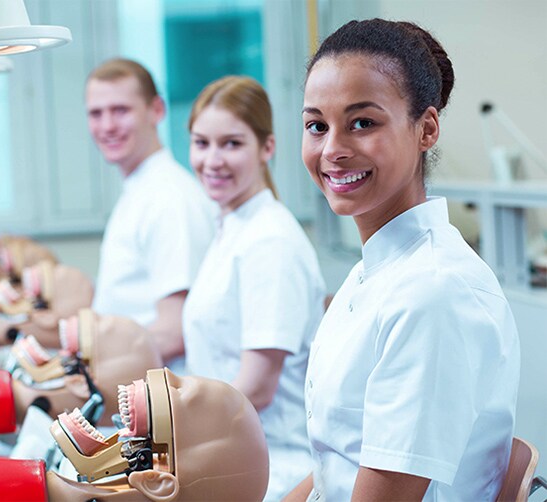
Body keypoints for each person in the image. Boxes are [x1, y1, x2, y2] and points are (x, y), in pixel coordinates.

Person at [283, 19, 520, 501]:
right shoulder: (373, 272)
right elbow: (335, 463)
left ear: (426, 128)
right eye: (316, 126)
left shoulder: (433, 292)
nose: (332, 149)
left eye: (362, 123)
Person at [180, 76, 325, 501]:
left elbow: (257, 386)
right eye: (201, 143)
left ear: (267, 148)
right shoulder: (233, 228)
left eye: (231, 143)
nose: (212, 160)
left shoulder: (270, 241)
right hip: (225, 455)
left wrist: (167, 429)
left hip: (268, 469)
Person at [85, 58, 216, 371]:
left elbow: (174, 332)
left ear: (156, 110)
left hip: (159, 402)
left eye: (120, 110)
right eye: (96, 113)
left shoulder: (168, 198)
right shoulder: (140, 190)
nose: (107, 126)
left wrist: (87, 370)